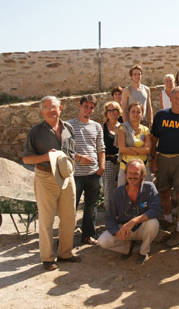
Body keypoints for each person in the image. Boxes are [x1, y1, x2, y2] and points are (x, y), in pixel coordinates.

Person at [23, 96, 80, 271]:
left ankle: (66, 253)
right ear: (41, 112)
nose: (50, 110)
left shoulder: (68, 128)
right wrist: (46, 156)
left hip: (67, 177)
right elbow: (27, 159)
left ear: (60, 108)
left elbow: (71, 152)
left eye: (53, 107)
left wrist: (79, 157)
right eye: (46, 107)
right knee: (47, 220)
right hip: (46, 177)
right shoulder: (35, 132)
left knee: (69, 217)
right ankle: (47, 258)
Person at [150, 87, 179, 247]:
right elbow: (154, 138)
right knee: (163, 191)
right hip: (162, 157)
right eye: (175, 98)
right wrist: (152, 158)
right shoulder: (161, 115)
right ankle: (168, 220)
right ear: (170, 99)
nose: (178, 100)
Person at [98, 159, 162, 265]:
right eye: (130, 173)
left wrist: (134, 221)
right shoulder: (117, 193)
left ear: (142, 175)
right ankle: (126, 248)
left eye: (136, 173)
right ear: (126, 174)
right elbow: (110, 217)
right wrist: (117, 232)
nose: (132, 176)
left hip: (142, 228)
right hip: (124, 230)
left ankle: (143, 251)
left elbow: (157, 209)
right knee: (103, 241)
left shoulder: (149, 188)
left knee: (153, 223)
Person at [68, 95, 105, 246]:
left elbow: (100, 148)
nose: (88, 110)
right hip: (75, 174)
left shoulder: (96, 126)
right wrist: (79, 157)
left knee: (91, 206)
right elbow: (64, 148)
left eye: (91, 108)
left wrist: (101, 166)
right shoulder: (69, 126)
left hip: (94, 174)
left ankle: (88, 235)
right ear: (80, 105)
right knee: (71, 207)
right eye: (86, 106)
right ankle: (66, 237)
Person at [117, 101, 151, 186]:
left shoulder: (145, 130)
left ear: (142, 114)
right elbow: (122, 149)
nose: (136, 114)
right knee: (123, 195)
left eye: (138, 112)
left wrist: (130, 150)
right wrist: (139, 151)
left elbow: (147, 149)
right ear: (128, 113)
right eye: (133, 111)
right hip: (126, 168)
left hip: (143, 167)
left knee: (144, 195)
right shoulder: (123, 128)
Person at [101, 101, 122, 211]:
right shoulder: (103, 127)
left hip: (122, 161)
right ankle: (109, 215)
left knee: (121, 188)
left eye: (115, 110)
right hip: (108, 161)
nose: (112, 112)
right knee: (108, 190)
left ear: (119, 112)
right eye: (109, 110)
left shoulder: (123, 127)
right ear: (106, 113)